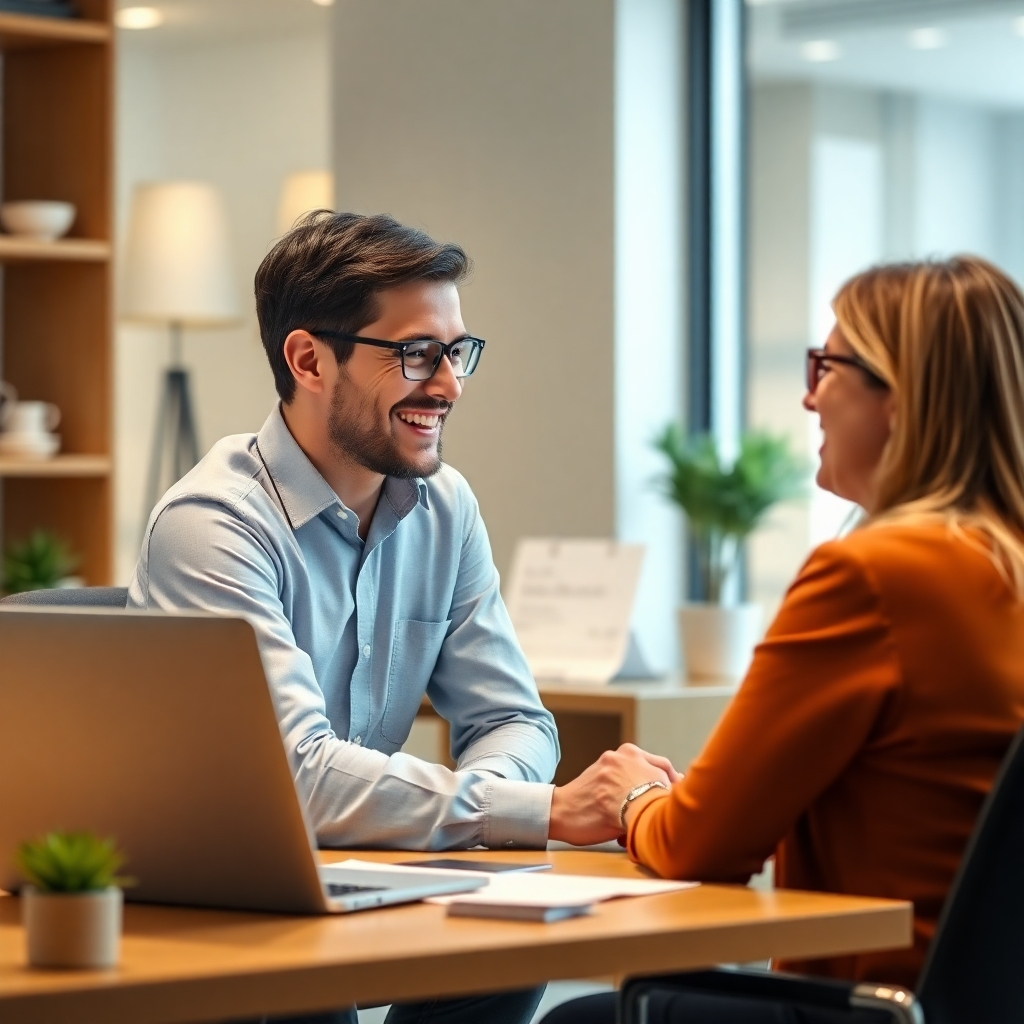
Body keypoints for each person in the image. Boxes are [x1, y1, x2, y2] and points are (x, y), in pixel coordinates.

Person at [542, 256, 1024, 1024]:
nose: (808, 398)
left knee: (581, 1020)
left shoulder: (876, 575)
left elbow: (699, 844)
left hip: (873, 1006)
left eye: (826, 366)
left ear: (898, 396)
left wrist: (632, 794)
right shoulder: (1000, 571)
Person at [128, 210, 576, 1024]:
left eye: (457, 352)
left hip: (370, 874)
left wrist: (486, 804)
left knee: (505, 954)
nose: (447, 384)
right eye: (415, 354)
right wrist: (531, 812)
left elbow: (514, 718)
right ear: (308, 359)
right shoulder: (213, 524)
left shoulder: (445, 507)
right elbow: (295, 777)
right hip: (230, 919)